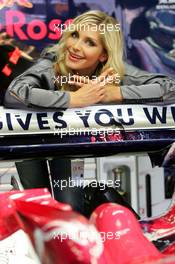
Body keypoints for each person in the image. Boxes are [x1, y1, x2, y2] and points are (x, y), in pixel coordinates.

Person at [3, 10, 175, 211]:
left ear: (103, 55)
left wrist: (114, 94)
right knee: (39, 207)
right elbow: (15, 93)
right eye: (75, 35)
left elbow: (170, 88)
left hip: (71, 148)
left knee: (70, 207)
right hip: (31, 143)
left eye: (90, 42)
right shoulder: (50, 64)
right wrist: (74, 99)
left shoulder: (111, 72)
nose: (76, 47)